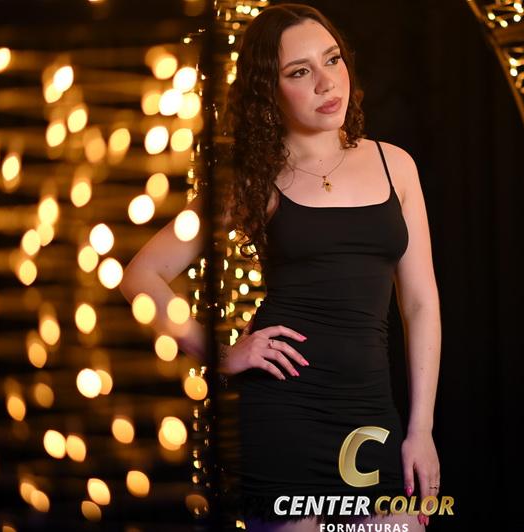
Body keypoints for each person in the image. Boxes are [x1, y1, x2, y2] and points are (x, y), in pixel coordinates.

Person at [120, 4, 441, 531]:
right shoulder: (254, 179)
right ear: (268, 91)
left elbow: (422, 304)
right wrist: (222, 355)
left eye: (332, 60)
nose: (326, 82)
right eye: (299, 72)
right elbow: (141, 277)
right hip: (284, 415)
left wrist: (421, 429)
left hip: (370, 414)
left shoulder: (395, 165)